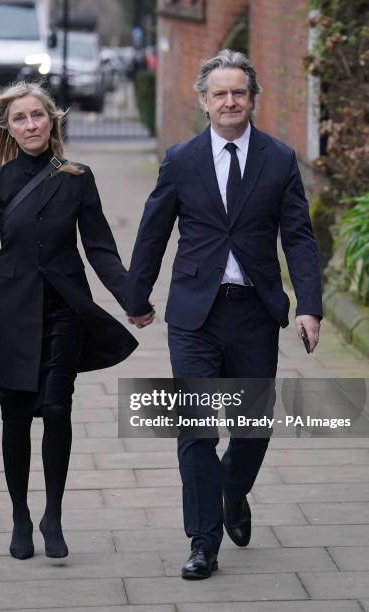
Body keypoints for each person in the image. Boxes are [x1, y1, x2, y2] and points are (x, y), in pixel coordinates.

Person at [125, 49, 322, 579]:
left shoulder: (278, 159)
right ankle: (202, 542)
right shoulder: (182, 159)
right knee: (195, 430)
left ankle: (232, 492)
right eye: (220, 94)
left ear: (251, 99)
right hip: (195, 315)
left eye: (239, 93)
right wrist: (136, 296)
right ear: (204, 102)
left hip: (255, 313)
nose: (230, 101)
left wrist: (309, 305)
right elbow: (153, 230)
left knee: (252, 427)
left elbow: (299, 238)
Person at [0, 81, 138, 560]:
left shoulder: (77, 177)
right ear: (9, 127)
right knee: (16, 418)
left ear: (52, 121)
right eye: (20, 118)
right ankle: (20, 514)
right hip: (11, 312)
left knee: (57, 410)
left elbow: (100, 247)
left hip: (65, 307)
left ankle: (53, 514)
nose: (31, 124)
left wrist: (132, 297)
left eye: (37, 115)